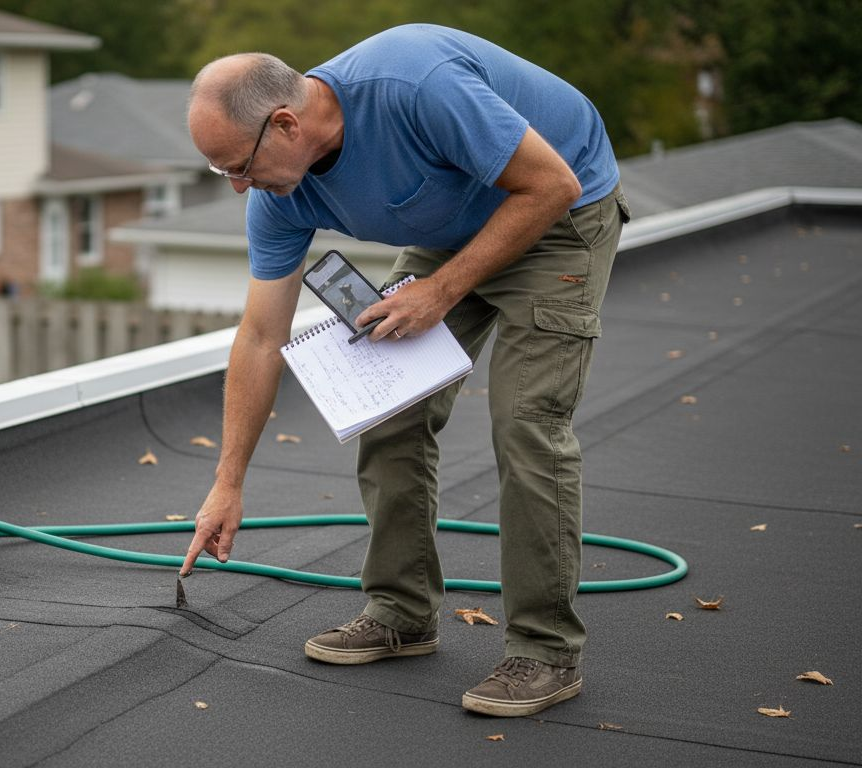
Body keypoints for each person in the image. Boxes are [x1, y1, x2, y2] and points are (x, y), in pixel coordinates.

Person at [179, 24, 629, 718]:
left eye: (237, 165)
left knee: (525, 423)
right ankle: (402, 611)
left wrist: (441, 291)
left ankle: (545, 651)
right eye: (222, 172)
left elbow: (550, 184)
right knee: (388, 406)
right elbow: (261, 336)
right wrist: (227, 483)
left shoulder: (414, 84)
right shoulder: (279, 194)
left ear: (287, 122)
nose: (239, 187)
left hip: (556, 213)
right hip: (453, 227)